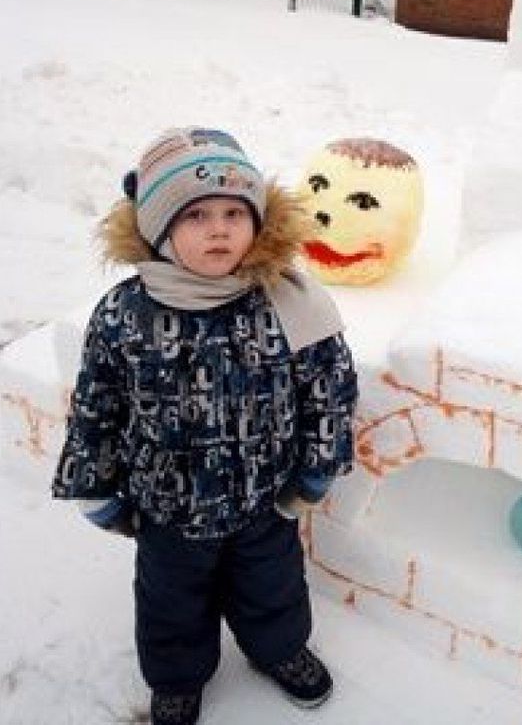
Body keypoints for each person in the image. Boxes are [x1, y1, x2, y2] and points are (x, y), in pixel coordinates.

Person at [52, 128, 357, 725]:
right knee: (170, 606)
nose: (219, 229)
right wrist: (94, 484)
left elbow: (329, 387)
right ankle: (177, 678)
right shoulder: (124, 312)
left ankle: (281, 651)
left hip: (264, 501)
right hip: (165, 508)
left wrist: (318, 466)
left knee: (274, 590)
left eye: (233, 213)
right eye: (196, 216)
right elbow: (98, 403)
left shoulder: (285, 300)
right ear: (161, 230)